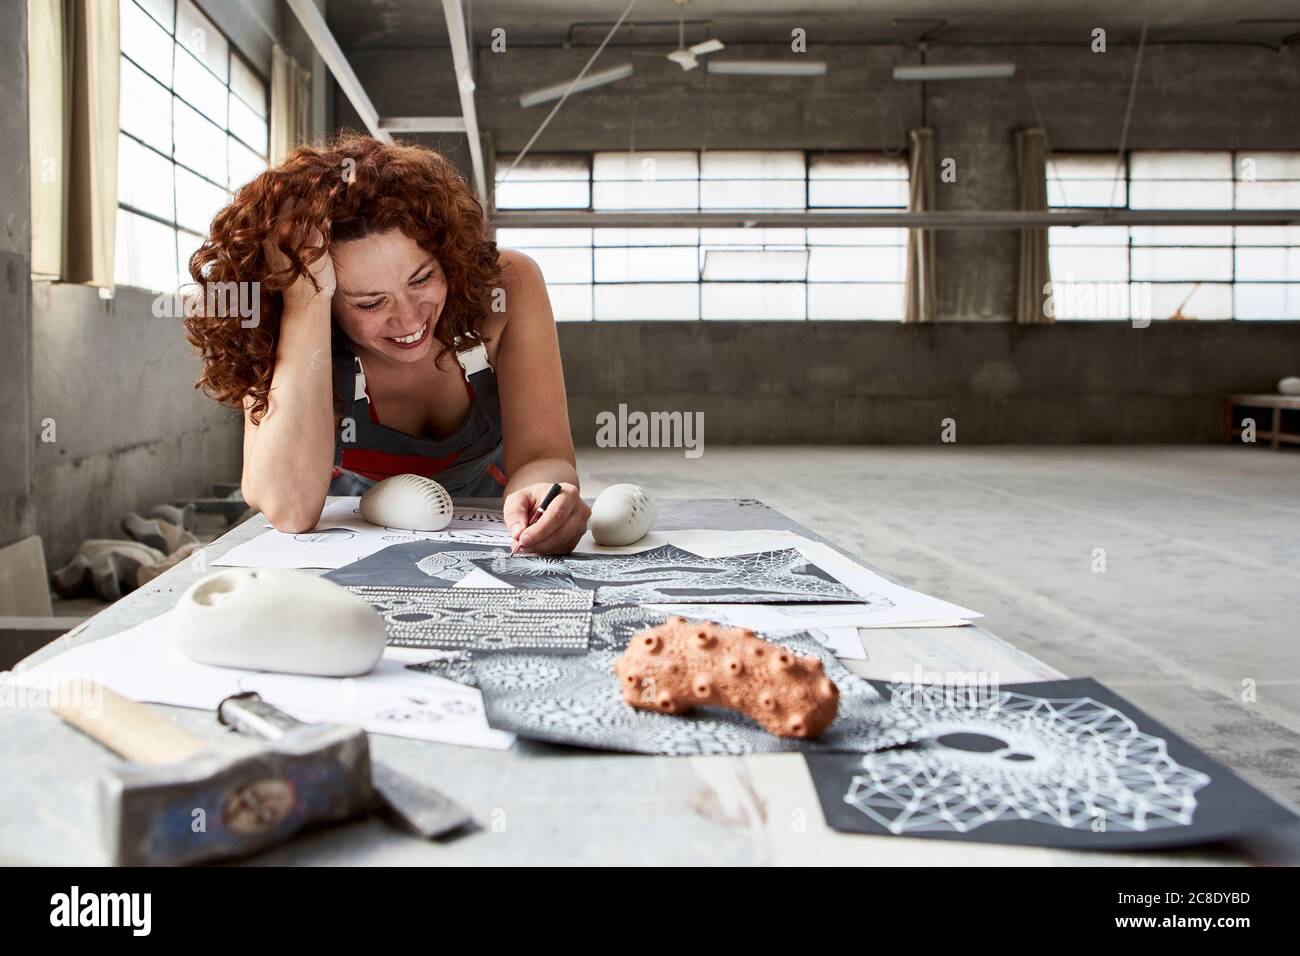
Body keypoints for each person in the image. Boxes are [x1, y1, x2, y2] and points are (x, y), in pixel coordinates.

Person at [184, 133, 590, 555]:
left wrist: (546, 492)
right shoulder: (277, 321)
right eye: (370, 302)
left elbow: (544, 455)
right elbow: (289, 508)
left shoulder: (508, 286)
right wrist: (306, 298)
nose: (411, 319)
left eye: (422, 279)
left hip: (500, 547)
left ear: (448, 254)